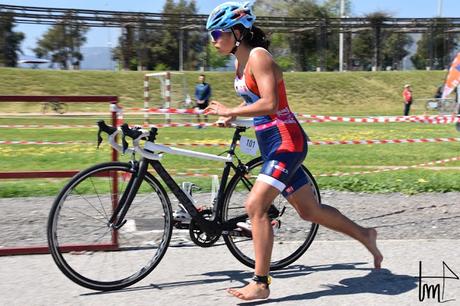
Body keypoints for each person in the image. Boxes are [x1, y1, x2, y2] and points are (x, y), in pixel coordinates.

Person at [204, 1, 383, 301]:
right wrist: (233, 116)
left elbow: (271, 103)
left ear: (238, 31)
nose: (213, 40)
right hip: (271, 142)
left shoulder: (259, 57)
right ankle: (366, 235)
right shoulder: (240, 61)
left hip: (287, 143)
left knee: (255, 206)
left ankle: (261, 282)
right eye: (211, 34)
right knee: (309, 211)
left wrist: (233, 110)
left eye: (218, 33)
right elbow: (258, 106)